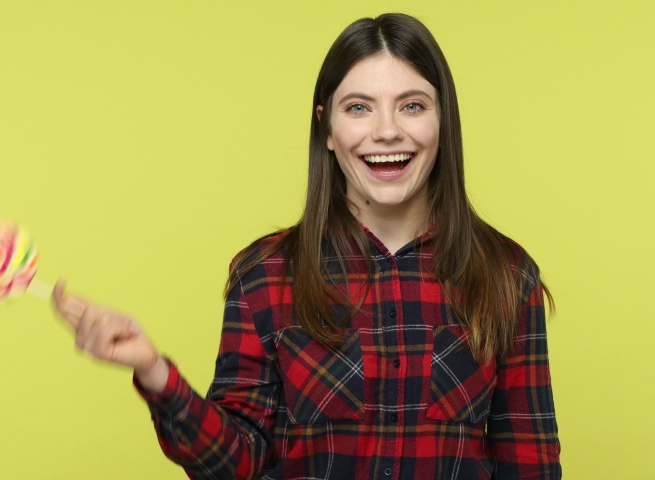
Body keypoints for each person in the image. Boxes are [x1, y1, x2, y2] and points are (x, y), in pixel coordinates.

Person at [53, 12, 561, 480]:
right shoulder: (265, 275)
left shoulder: (507, 276)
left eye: (412, 105)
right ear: (329, 129)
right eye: (359, 108)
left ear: (442, 121)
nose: (387, 131)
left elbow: (530, 467)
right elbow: (238, 463)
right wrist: (154, 371)